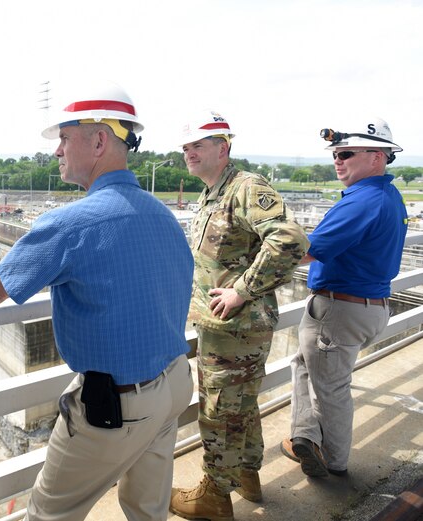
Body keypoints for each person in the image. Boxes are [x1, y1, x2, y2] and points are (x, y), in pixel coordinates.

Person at [0, 82, 194, 521]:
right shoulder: (161, 213)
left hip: (117, 407)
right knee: (147, 508)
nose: (57, 151)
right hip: (174, 382)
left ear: (99, 140)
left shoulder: (72, 223)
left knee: (49, 514)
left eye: (65, 138)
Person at [169, 111, 309, 521]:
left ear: (223, 148)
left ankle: (214, 496)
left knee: (217, 410)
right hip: (224, 328)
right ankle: (246, 475)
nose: (189, 153)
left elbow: (290, 239)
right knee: (240, 406)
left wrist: (241, 290)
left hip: (237, 328)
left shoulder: (245, 187)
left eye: (198, 146)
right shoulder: (213, 192)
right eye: (186, 147)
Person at [281, 118, 407, 478]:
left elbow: (307, 251)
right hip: (368, 306)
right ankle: (306, 436)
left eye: (346, 153)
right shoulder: (387, 195)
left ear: (378, 157)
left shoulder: (362, 201)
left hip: (339, 309)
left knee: (331, 389)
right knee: (304, 367)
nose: (338, 160)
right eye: (336, 153)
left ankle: (333, 461)